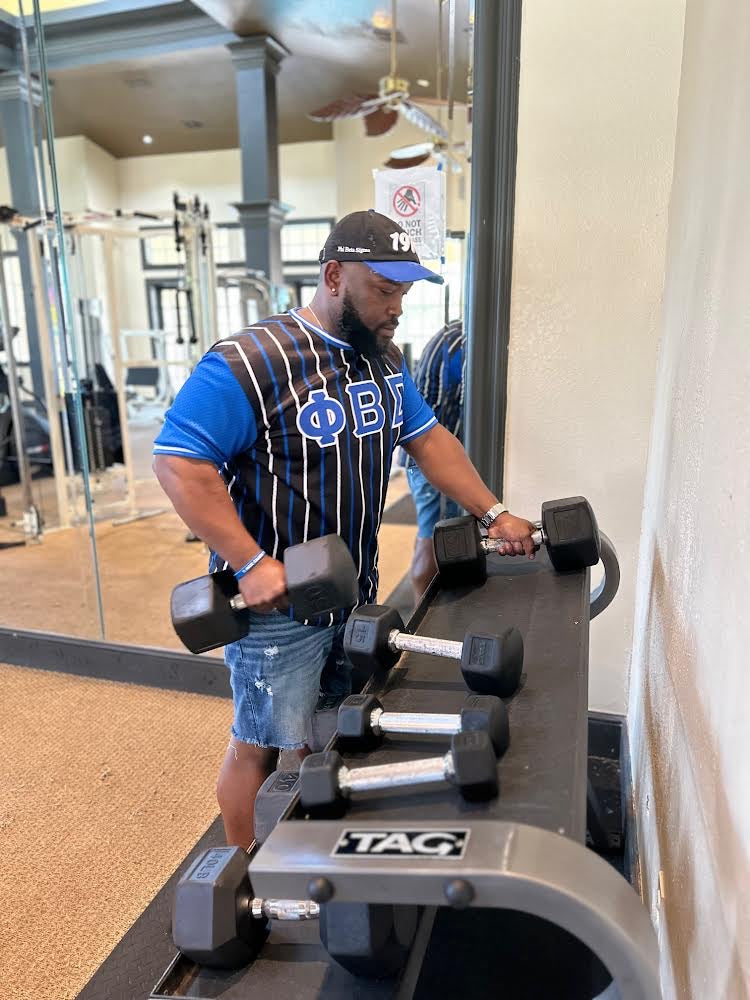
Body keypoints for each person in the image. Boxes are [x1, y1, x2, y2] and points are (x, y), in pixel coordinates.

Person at [153, 209, 535, 849]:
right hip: (276, 610)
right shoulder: (249, 362)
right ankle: (241, 877)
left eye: (403, 295)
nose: (397, 310)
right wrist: (250, 562)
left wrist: (493, 512)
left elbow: (428, 439)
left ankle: (308, 845)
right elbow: (178, 462)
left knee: (326, 731)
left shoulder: (381, 360)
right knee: (260, 746)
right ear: (334, 275)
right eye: (384, 292)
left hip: (352, 591)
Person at [404, 319, 465, 600]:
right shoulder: (462, 346)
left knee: (436, 535)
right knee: (432, 540)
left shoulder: (453, 333)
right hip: (434, 461)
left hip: (425, 457)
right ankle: (419, 629)